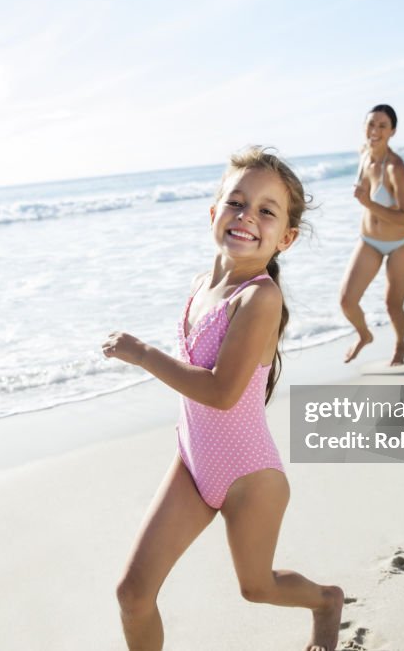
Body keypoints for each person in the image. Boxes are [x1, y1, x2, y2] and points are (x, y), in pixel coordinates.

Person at [102, 146, 344, 651]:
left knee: (257, 588)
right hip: (192, 463)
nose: (246, 217)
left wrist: (144, 354)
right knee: (132, 593)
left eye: (266, 211)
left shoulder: (261, 298)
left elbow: (220, 392)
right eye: (236, 202)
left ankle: (325, 602)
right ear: (213, 212)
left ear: (287, 238)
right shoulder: (200, 285)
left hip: (249, 478)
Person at [340, 104, 404, 366]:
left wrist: (369, 204)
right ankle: (364, 335)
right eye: (371, 124)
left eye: (382, 126)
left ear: (393, 131)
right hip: (369, 241)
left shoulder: (395, 167)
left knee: (392, 305)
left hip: (402, 244)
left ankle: (400, 345)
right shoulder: (364, 154)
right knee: (347, 301)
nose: (375, 130)